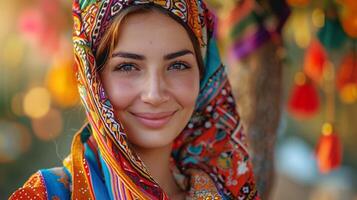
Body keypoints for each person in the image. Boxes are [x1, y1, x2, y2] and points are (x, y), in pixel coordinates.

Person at [10, 0, 259, 199]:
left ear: (203, 75)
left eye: (178, 65)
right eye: (128, 67)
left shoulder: (227, 193)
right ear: (92, 80)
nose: (155, 94)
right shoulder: (48, 194)